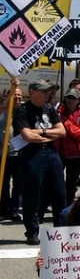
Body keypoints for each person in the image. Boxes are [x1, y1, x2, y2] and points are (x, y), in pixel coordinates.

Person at [14, 80, 66, 245]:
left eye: (47, 91)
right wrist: (49, 134)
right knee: (32, 194)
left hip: (51, 153)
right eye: (43, 91)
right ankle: (32, 231)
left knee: (59, 193)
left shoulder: (50, 109)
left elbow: (62, 131)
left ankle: (60, 231)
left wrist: (41, 132)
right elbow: (27, 136)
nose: (47, 94)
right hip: (32, 155)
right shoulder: (22, 110)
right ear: (32, 91)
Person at [55, 87, 80, 205]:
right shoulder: (58, 113)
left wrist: (64, 121)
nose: (70, 100)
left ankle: (68, 209)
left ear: (79, 100)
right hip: (59, 153)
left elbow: (79, 134)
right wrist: (59, 115)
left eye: (73, 98)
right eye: (68, 97)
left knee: (71, 185)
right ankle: (43, 211)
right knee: (54, 183)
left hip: (75, 156)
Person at [0, 85, 23, 221]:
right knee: (3, 183)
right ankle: (4, 209)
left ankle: (14, 210)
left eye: (19, 95)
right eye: (15, 95)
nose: (18, 98)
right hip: (3, 154)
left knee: (18, 184)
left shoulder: (24, 111)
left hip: (19, 155)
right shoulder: (3, 112)